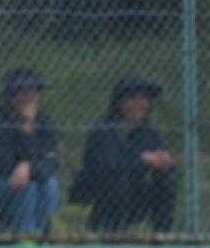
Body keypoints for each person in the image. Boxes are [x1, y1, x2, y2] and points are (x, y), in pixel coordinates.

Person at [68, 75, 176, 234]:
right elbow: (109, 165)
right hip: (97, 197)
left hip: (131, 196)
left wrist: (163, 162)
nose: (139, 104)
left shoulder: (148, 131)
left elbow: (156, 155)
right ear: (119, 102)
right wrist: (142, 159)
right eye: (133, 98)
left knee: (165, 179)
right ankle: (111, 234)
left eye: (144, 99)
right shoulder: (104, 129)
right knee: (119, 178)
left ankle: (162, 236)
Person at [0, 69, 60, 235]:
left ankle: (44, 235)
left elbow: (51, 162)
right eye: (24, 93)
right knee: (27, 186)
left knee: (50, 184)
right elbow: (3, 165)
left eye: (34, 92)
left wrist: (29, 166)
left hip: (31, 180)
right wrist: (25, 132)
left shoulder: (44, 122)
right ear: (12, 97)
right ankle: (25, 238)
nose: (30, 98)